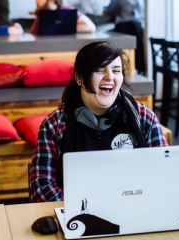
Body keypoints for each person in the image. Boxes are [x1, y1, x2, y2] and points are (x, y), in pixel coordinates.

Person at [29, 41, 168, 202]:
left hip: (134, 211)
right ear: (79, 78)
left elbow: (163, 174)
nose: (110, 77)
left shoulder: (144, 118)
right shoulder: (55, 124)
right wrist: (85, 208)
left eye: (116, 70)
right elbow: (41, 188)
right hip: (78, 218)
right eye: (99, 70)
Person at [105, 0, 145, 75]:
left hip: (123, 27)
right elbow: (142, 12)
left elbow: (109, 11)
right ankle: (137, 69)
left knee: (121, 49)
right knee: (138, 50)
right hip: (137, 26)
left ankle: (122, 69)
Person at [29, 0, 96, 35]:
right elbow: (33, 33)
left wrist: (58, 28)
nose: (36, 1)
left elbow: (91, 27)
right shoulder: (41, 15)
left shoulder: (68, 11)